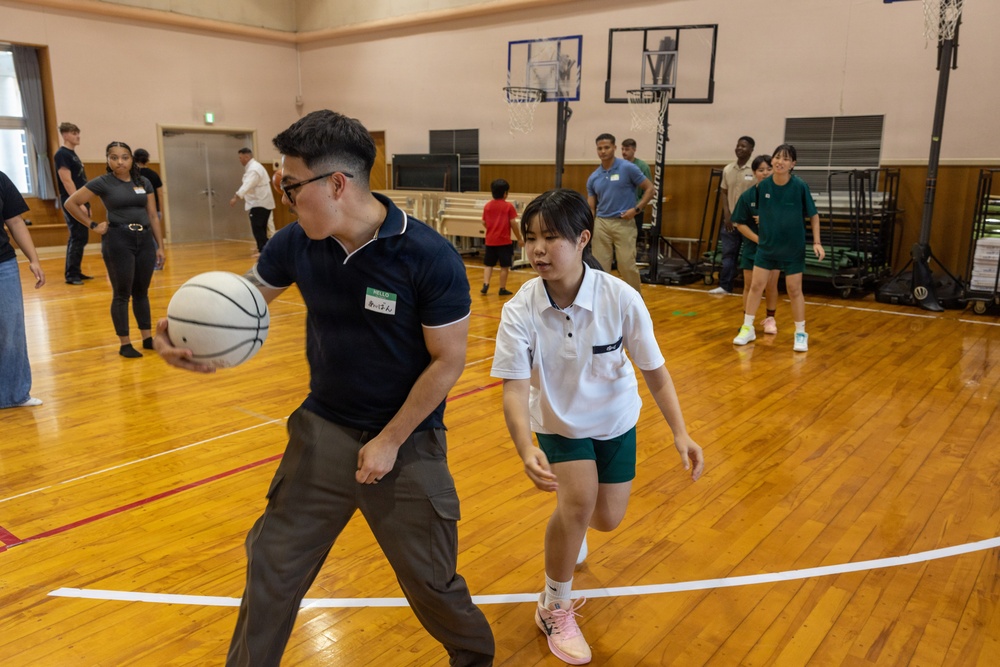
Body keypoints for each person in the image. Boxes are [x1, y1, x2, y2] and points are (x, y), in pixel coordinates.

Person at [154, 110, 495, 667]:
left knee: (432, 582)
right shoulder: (297, 243)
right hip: (323, 432)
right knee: (271, 565)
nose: (285, 197)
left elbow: (447, 362)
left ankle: (475, 657)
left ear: (337, 184)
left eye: (291, 185)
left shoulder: (427, 256)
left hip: (406, 442)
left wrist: (388, 441)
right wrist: (184, 328)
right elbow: (242, 298)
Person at [491, 189, 704, 665]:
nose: (538, 249)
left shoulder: (620, 299)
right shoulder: (519, 309)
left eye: (551, 237)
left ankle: (573, 527)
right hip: (559, 423)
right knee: (578, 502)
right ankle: (554, 605)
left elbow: (655, 372)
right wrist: (525, 447)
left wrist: (681, 432)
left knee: (605, 517)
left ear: (583, 238)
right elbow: (512, 387)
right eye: (530, 239)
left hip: (614, 419)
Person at [65, 141, 165, 358]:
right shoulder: (103, 182)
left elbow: (152, 215)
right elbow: (71, 203)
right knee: (122, 293)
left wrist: (160, 247)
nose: (120, 161)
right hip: (118, 240)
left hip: (145, 239)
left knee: (142, 291)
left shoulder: (144, 181)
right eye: (114, 157)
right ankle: (125, 343)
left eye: (125, 157)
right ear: (108, 160)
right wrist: (93, 225)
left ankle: (147, 338)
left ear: (131, 159)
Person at [733, 144, 825, 351]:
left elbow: (814, 215)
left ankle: (800, 333)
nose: (779, 162)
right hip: (767, 248)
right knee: (756, 287)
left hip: (793, 248)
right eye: (777, 157)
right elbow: (750, 214)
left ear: (793, 164)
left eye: (785, 159)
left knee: (794, 290)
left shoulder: (799, 186)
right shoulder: (762, 187)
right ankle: (748, 328)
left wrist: (817, 242)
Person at [0, 169, 46, 409]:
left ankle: (13, 394)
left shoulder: (0, 179)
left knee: (11, 329)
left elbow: (15, 221)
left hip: (3, 264)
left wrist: (34, 259)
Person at [586, 133, 653, 294]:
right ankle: (600, 302)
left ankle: (636, 302)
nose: (603, 151)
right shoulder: (594, 177)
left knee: (626, 265)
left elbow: (650, 189)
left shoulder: (628, 168)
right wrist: (590, 225)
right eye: (600, 148)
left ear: (615, 148)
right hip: (601, 224)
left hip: (623, 223)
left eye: (607, 147)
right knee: (599, 268)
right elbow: (591, 206)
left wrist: (637, 209)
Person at [731, 155, 781, 333]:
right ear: (754, 173)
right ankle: (747, 323)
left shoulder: (782, 195)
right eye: (761, 170)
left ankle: (770, 319)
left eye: (769, 169)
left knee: (771, 285)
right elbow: (739, 223)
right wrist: (758, 239)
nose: (765, 173)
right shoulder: (747, 196)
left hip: (774, 248)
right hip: (753, 247)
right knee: (750, 285)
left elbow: (790, 220)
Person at [710, 136, 756, 295]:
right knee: (728, 254)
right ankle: (725, 286)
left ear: (751, 150)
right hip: (731, 221)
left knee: (750, 256)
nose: (739, 148)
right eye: (738, 145)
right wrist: (727, 214)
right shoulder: (728, 169)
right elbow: (724, 192)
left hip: (749, 223)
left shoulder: (755, 170)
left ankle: (753, 288)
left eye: (744, 146)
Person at [54, 122, 93, 285]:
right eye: (73, 133)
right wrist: (77, 203)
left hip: (80, 200)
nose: (77, 136)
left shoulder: (73, 155)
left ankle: (75, 270)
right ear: (65, 135)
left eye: (78, 132)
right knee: (77, 236)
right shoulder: (62, 154)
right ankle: (71, 275)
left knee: (81, 236)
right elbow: (66, 180)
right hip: (72, 201)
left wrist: (86, 203)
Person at [480, 178, 523, 296]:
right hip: (504, 241)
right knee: (504, 266)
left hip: (490, 241)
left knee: (488, 264)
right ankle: (502, 288)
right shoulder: (508, 206)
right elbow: (513, 223)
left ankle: (485, 284)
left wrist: (491, 228)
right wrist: (519, 238)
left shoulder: (487, 206)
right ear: (505, 193)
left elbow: (483, 222)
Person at [229, 148, 275, 257]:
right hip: (261, 202)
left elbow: (247, 185)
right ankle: (263, 247)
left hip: (259, 203)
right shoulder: (255, 167)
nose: (240, 160)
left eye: (240, 158)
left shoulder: (254, 169)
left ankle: (262, 249)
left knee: (257, 226)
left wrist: (236, 196)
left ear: (247, 157)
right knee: (261, 227)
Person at [133, 148, 165, 270]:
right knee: (155, 239)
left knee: (145, 240)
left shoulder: (134, 175)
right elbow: (160, 194)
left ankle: (153, 264)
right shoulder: (153, 174)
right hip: (154, 211)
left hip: (140, 212)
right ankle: (156, 263)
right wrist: (160, 210)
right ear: (147, 159)